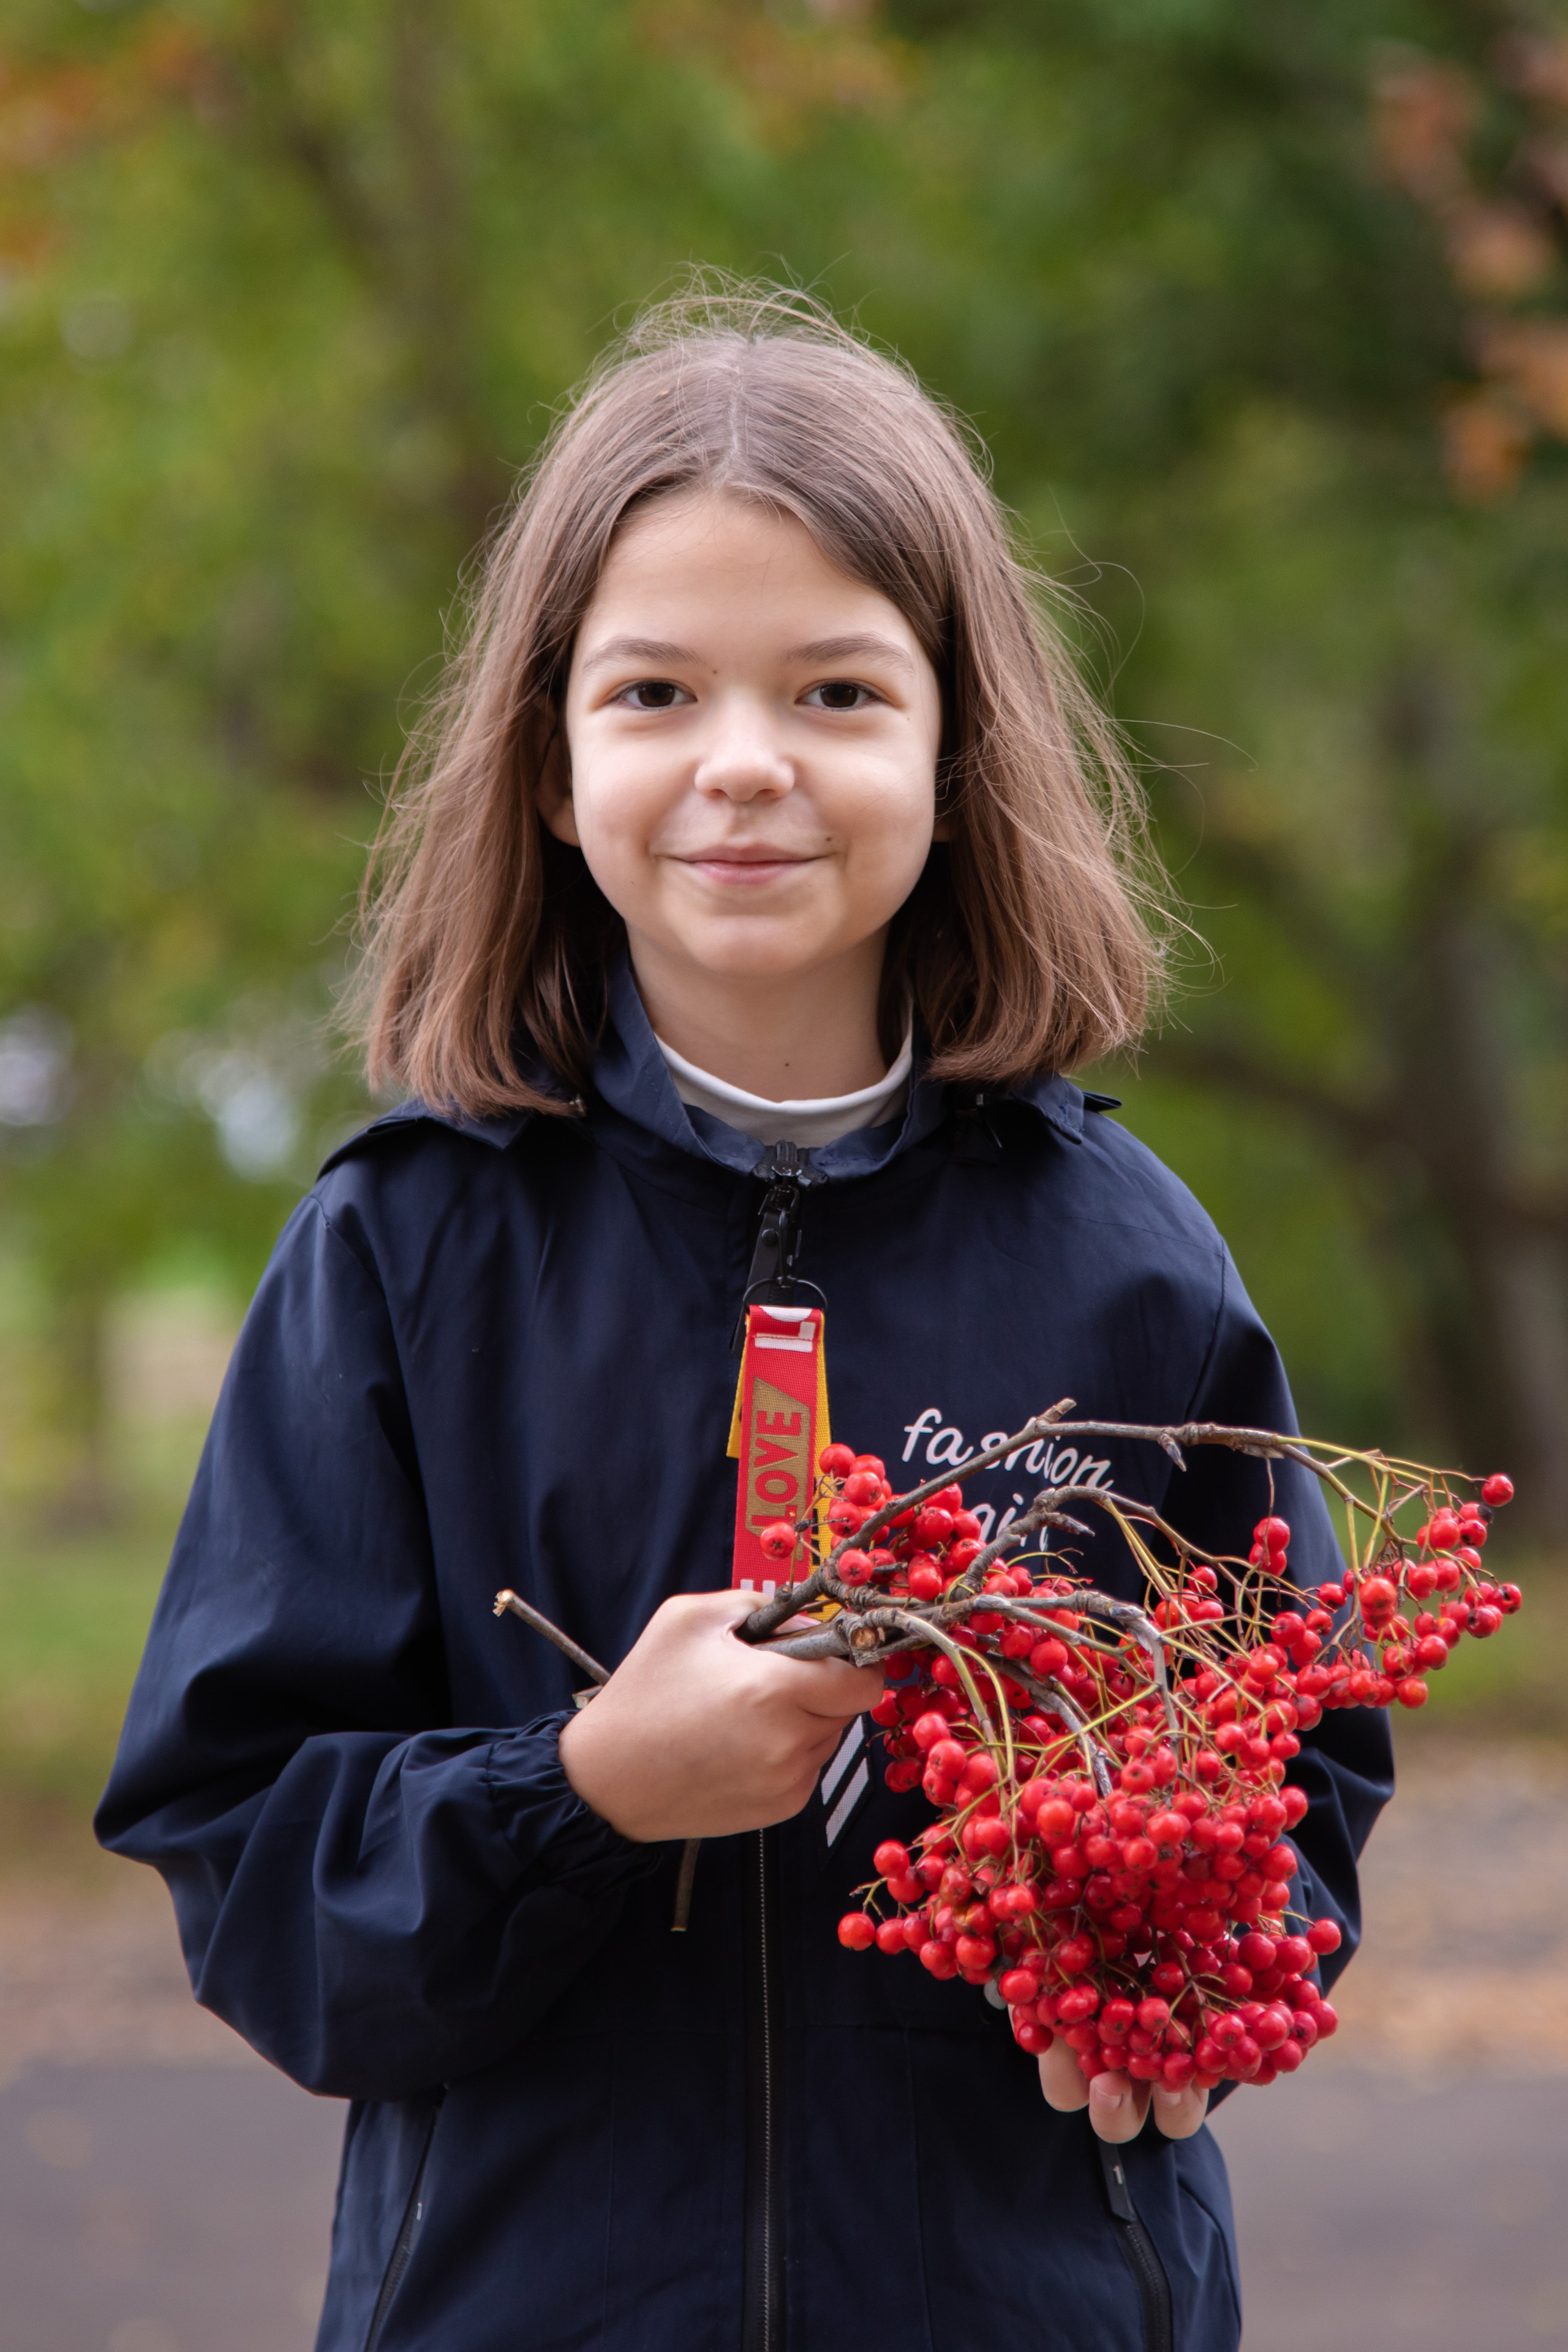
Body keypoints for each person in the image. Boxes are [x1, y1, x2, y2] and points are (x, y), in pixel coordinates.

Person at [97, 284, 1392, 2352]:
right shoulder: (402, 1253)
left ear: (962, 749)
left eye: (840, 694)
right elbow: (259, 1883)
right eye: (655, 695)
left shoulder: (1134, 1265)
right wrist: (584, 1786)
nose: (745, 768)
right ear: (548, 763)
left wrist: (1182, 1968)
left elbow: (1296, 1770)